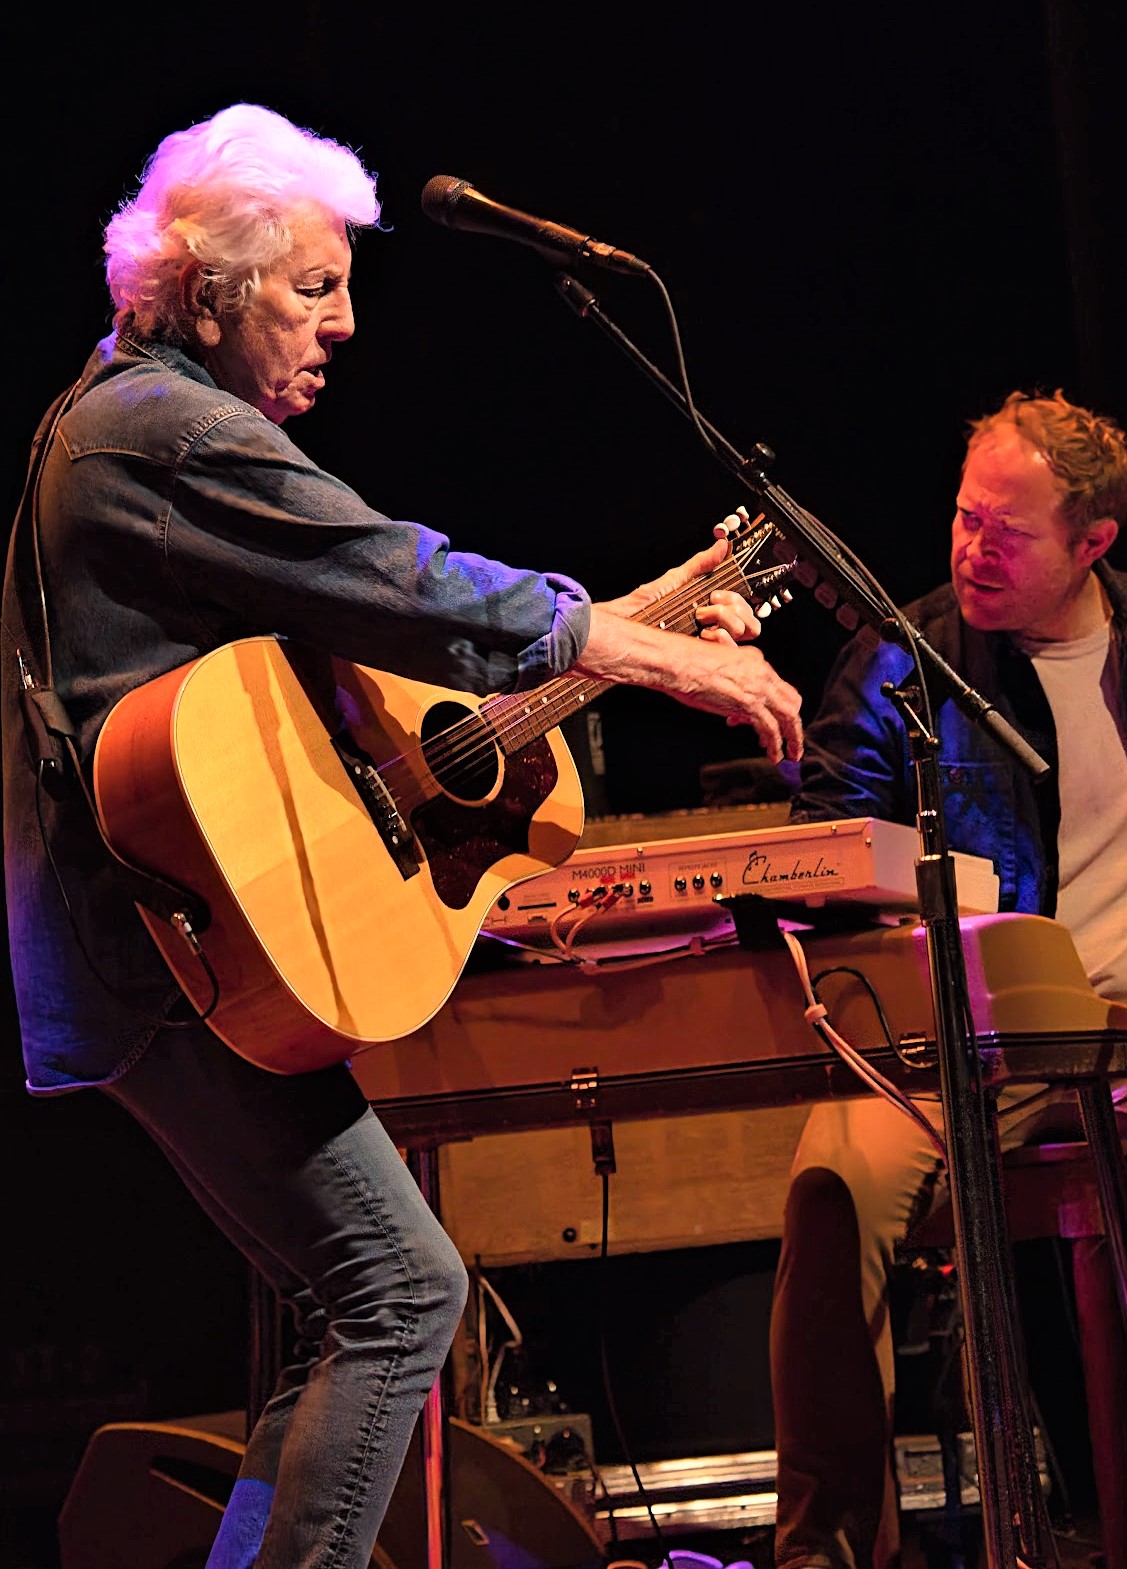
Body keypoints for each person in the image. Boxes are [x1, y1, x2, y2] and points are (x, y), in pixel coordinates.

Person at [0, 103, 803, 1569]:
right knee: (395, 1289)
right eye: (314, 287)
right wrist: (640, 648)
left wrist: (639, 614)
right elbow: (388, 575)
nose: (347, 322)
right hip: (160, 948)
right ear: (206, 289)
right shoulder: (158, 429)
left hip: (175, 942)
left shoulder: (148, 421)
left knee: (353, 1300)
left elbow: (379, 634)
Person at [769, 389, 1127, 1569]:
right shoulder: (898, 656)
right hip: (983, 1025)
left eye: (1007, 532)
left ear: (1092, 544)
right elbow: (823, 842)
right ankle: (824, 1551)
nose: (972, 550)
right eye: (964, 518)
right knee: (833, 1185)